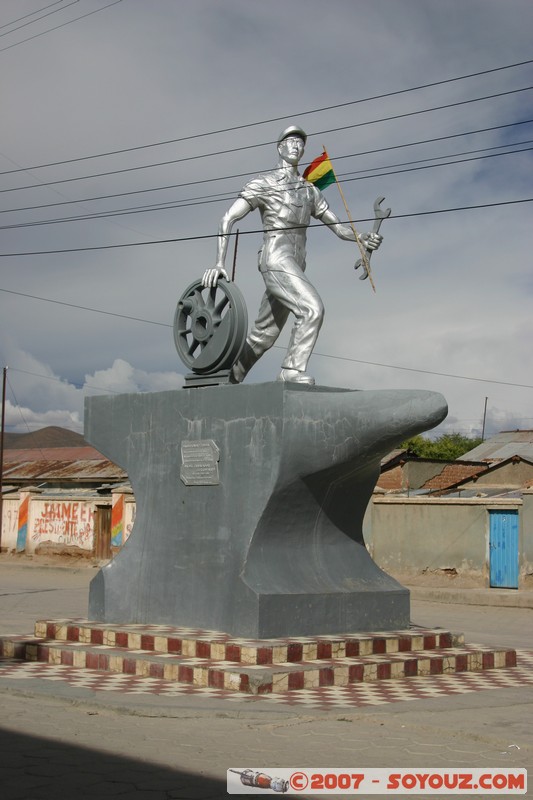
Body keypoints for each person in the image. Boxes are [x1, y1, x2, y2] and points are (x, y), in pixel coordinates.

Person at [202, 124, 382, 385]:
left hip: (297, 263)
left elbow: (338, 226)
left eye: (301, 143)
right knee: (312, 309)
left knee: (264, 335)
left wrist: (361, 237)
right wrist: (219, 263)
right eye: (291, 141)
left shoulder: (310, 191)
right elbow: (227, 219)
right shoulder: (263, 183)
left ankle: (228, 381)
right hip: (275, 258)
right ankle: (291, 371)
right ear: (280, 147)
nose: (297, 146)